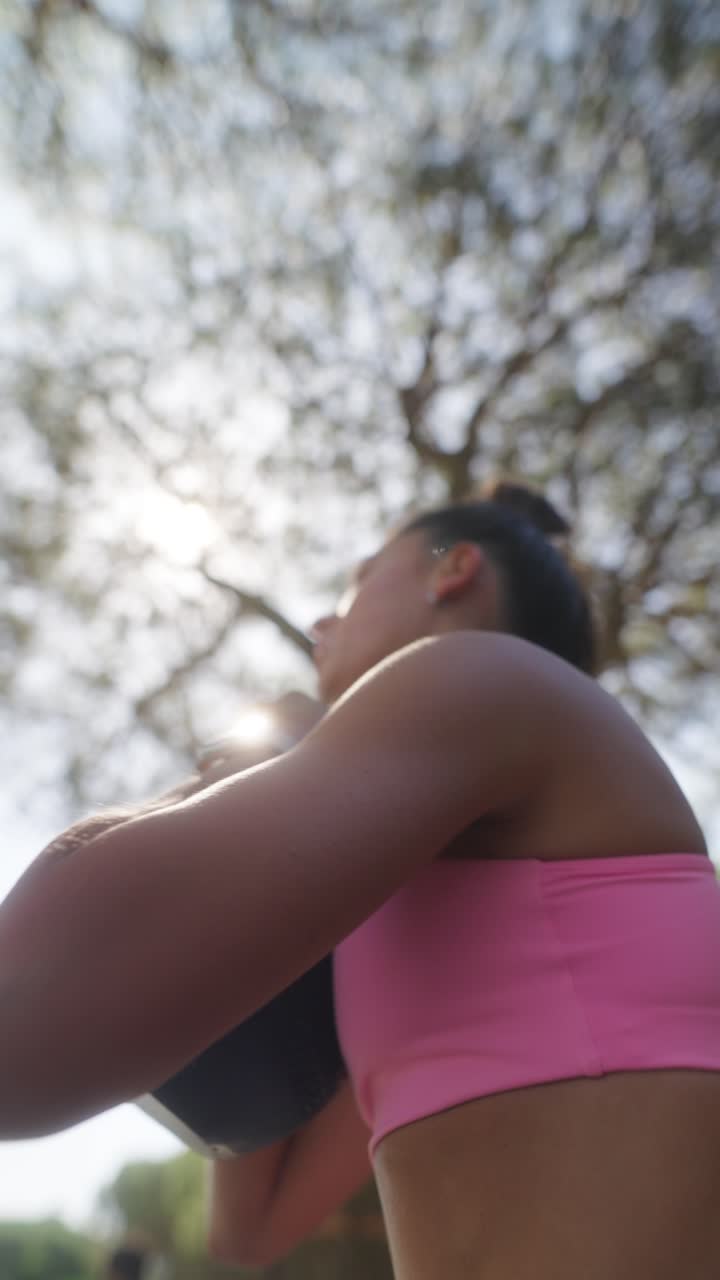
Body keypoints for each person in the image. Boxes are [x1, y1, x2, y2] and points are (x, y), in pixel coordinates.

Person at [2, 482, 720, 1280]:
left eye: (358, 578)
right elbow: (252, 1229)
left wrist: (245, 767)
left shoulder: (485, 677)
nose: (321, 620)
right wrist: (285, 926)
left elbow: (20, 1027)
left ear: (453, 570)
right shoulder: (430, 933)